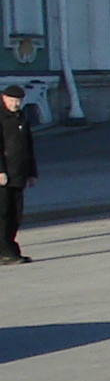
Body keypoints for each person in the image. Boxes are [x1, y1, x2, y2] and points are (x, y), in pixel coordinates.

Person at [0, 82, 35, 263]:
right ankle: (5, 252)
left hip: (19, 173)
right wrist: (0, 171)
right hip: (4, 176)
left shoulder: (21, 117)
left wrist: (32, 172)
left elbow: (28, 146)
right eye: (12, 100)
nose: (15, 104)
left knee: (16, 214)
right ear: (3, 98)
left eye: (19, 100)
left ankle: (10, 249)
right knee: (3, 214)